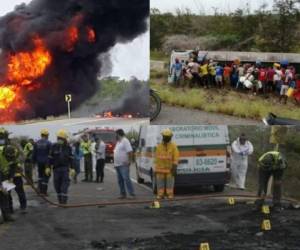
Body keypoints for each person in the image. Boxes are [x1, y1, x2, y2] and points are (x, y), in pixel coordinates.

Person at [48, 129, 75, 204]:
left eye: (60, 138)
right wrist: (47, 167)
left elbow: (71, 159)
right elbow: (50, 158)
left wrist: (72, 168)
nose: (59, 140)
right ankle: (60, 200)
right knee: (57, 186)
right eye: (58, 138)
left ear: (64, 139)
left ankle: (64, 201)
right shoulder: (53, 146)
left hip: (65, 169)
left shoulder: (68, 147)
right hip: (56, 169)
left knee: (64, 186)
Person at [154, 129, 179, 199]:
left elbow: (176, 157)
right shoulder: (159, 146)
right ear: (163, 137)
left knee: (170, 184)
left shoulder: (173, 146)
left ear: (170, 137)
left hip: (170, 169)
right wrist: (155, 169)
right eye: (165, 136)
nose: (166, 138)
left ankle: (170, 195)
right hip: (160, 169)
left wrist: (174, 167)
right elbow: (156, 159)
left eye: (167, 137)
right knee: (160, 184)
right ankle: (160, 195)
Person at [114, 129, 135, 199]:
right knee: (120, 180)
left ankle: (132, 194)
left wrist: (129, 161)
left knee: (126, 179)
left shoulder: (125, 141)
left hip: (123, 164)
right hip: (117, 164)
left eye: (116, 134)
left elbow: (130, 151)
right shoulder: (118, 142)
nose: (115, 135)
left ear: (118, 134)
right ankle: (123, 194)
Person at [33, 129, 52, 196]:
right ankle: (44, 192)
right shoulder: (49, 143)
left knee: (40, 176)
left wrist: (33, 162)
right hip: (47, 163)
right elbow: (51, 154)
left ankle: (40, 191)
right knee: (46, 177)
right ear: (47, 135)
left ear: (41, 135)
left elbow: (34, 154)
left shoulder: (36, 143)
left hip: (39, 162)